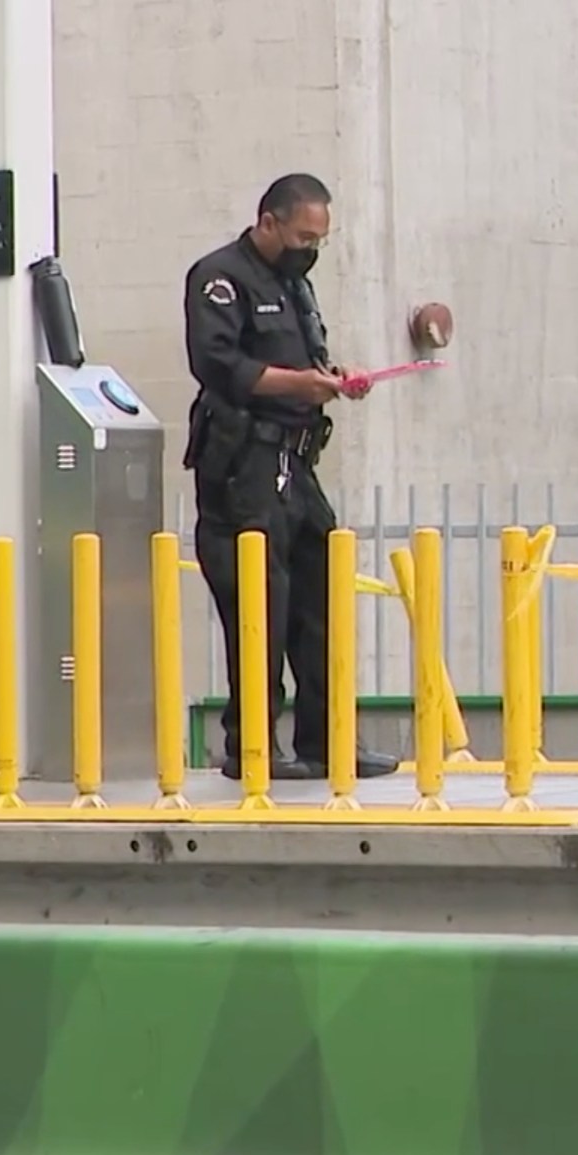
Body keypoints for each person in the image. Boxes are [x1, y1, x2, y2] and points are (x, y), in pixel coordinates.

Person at [182, 173, 401, 783]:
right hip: (246, 464)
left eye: (320, 240)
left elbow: (303, 359)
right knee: (260, 605)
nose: (312, 249)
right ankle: (251, 745)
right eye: (304, 235)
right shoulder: (221, 278)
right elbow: (219, 365)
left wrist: (331, 378)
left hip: (297, 463)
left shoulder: (295, 283)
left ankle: (328, 740)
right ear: (270, 221)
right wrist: (297, 384)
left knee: (320, 597)